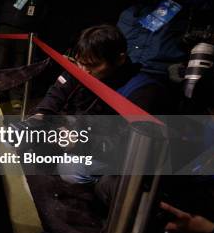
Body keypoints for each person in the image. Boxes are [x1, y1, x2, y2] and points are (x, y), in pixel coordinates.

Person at [32, 25, 170, 183]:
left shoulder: (142, 92)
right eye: (79, 63)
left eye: (92, 65)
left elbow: (125, 147)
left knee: (71, 168)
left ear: (120, 59)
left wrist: (80, 143)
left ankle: (104, 184)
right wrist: (39, 117)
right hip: (84, 130)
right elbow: (55, 96)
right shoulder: (83, 67)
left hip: (111, 149)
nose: (84, 71)